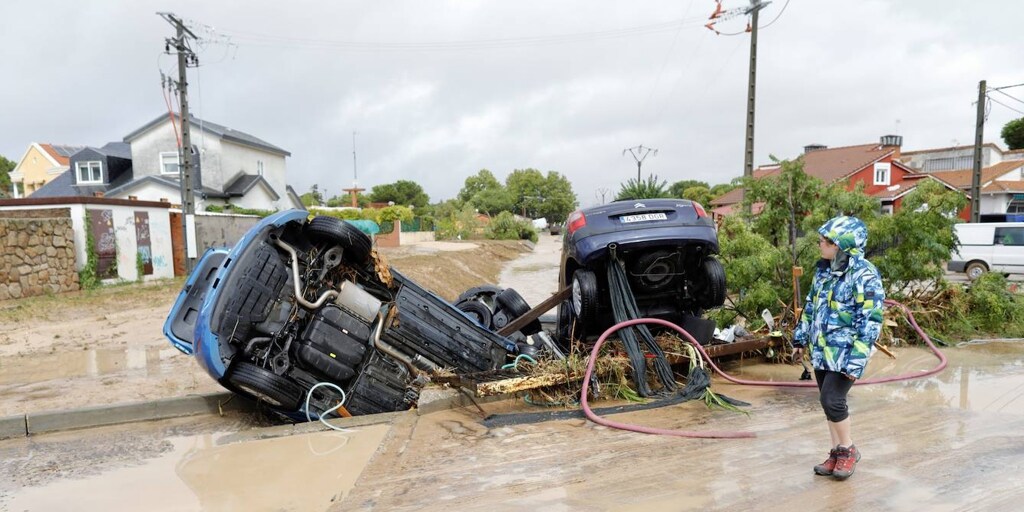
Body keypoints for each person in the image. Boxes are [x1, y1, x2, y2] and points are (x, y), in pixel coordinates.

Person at [792, 215, 884, 481]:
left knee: (833, 400)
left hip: (845, 353)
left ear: (843, 245)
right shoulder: (824, 271)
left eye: (826, 242)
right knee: (827, 403)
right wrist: (800, 339)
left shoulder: (865, 274)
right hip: (822, 350)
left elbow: (870, 320)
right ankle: (835, 452)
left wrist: (857, 361)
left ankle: (848, 450)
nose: (820, 245)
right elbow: (810, 306)